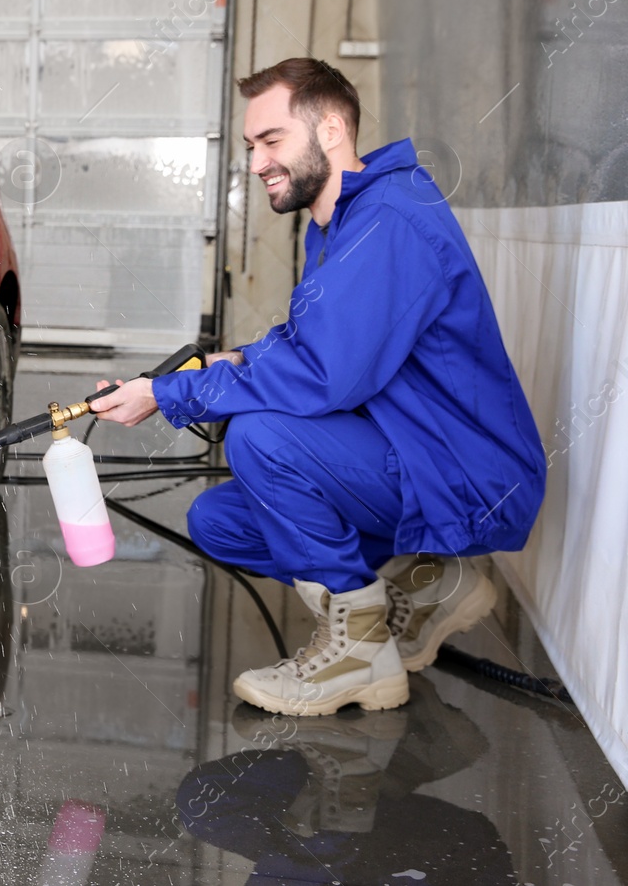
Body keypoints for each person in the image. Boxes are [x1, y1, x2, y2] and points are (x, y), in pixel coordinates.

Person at [90, 58, 546, 717]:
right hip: (411, 455)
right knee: (218, 521)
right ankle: (422, 582)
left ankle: (361, 657)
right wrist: (220, 362)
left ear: (330, 128)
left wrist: (169, 397)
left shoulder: (390, 220)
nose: (256, 162)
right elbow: (314, 338)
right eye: (252, 146)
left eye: (271, 140)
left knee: (262, 438)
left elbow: (324, 375)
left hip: (467, 477)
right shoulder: (339, 220)